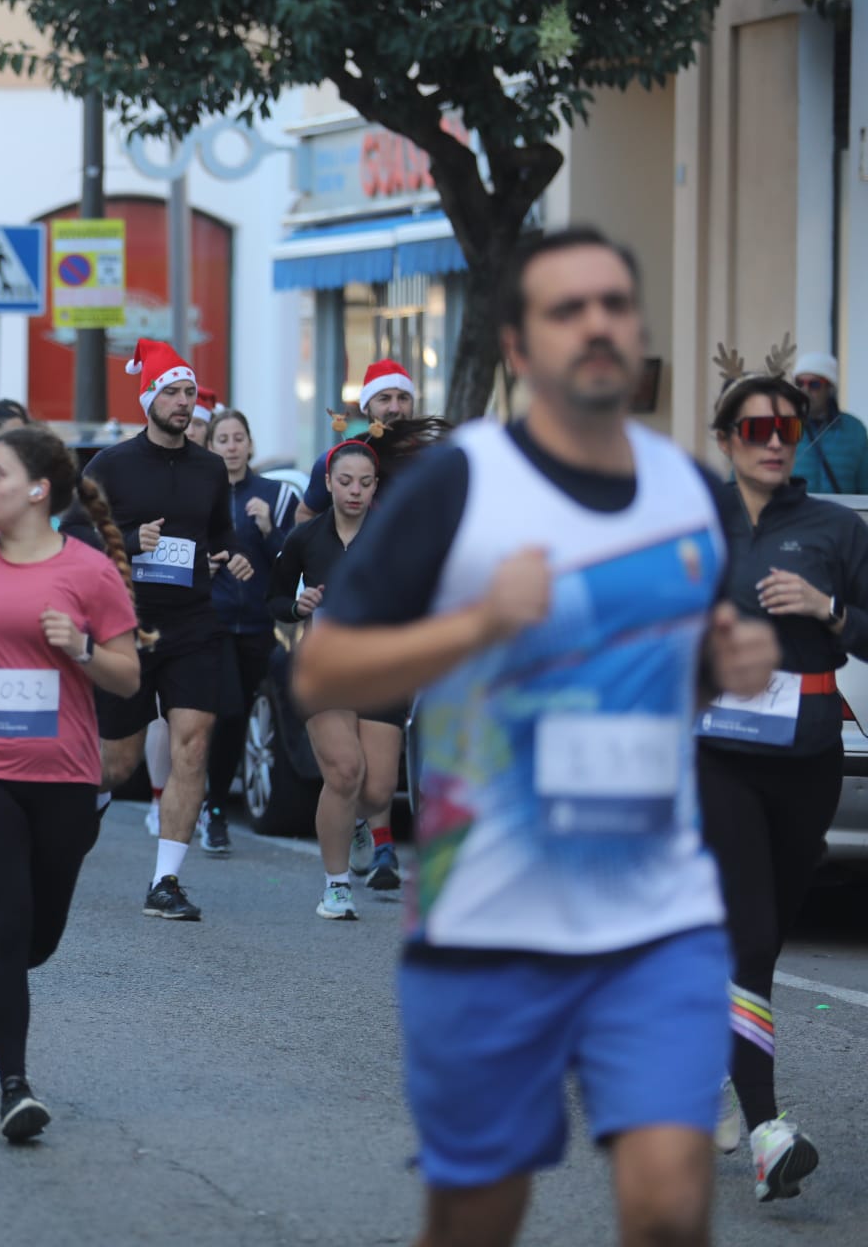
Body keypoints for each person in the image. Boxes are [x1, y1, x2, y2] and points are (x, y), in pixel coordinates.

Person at [292, 226, 779, 1247]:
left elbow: (673, 664)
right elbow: (324, 669)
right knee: (479, 1211)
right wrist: (478, 623)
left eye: (614, 304)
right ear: (518, 346)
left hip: (656, 910)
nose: (596, 325)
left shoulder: (688, 492)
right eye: (567, 309)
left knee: (668, 1201)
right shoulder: (458, 484)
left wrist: (720, 662)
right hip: (492, 916)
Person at [0, 425, 141, 1140]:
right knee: (7, 924)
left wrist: (82, 649)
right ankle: (15, 1085)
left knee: (38, 939)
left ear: (38, 490)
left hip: (65, 773)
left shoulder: (90, 572)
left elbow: (128, 677)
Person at [697, 355, 868, 1200]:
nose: (773, 442)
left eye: (787, 428)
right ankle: (769, 1133)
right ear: (727, 440)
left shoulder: (837, 529)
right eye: (755, 429)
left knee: (754, 948)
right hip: (713, 758)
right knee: (754, 935)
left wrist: (829, 610)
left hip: (808, 760)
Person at [82, 338, 250, 922]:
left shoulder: (209, 468)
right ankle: (86, 806)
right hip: (127, 625)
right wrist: (130, 542)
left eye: (189, 393)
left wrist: (231, 554)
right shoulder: (110, 465)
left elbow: (218, 532)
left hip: (194, 622)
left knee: (193, 744)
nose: (184, 403)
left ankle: (166, 882)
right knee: (117, 763)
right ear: (148, 397)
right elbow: (75, 539)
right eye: (173, 392)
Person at [269, 442, 402, 917]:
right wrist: (295, 606)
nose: (355, 491)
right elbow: (275, 596)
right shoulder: (307, 537)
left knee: (376, 790)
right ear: (327, 483)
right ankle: (336, 885)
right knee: (344, 772)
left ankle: (361, 822)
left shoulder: (393, 536)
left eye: (366, 483)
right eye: (345, 481)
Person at [202, 409, 297, 852]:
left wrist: (269, 529)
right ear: (211, 447)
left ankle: (215, 799)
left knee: (245, 716)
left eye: (239, 438)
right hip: (215, 621)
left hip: (261, 625)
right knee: (230, 713)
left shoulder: (276, 497)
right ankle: (215, 809)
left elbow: (293, 562)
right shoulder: (201, 497)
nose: (233, 446)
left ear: (251, 445)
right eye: (223, 439)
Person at [297, 359, 415, 520]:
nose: (395, 408)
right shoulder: (335, 461)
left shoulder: (431, 458)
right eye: (384, 398)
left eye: (403, 398)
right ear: (366, 407)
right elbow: (305, 514)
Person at [787, 351, 868, 494]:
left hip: (841, 514)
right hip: (794, 514)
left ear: (830, 388)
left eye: (815, 384)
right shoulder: (781, 426)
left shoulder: (855, 430)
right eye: (800, 383)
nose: (805, 390)